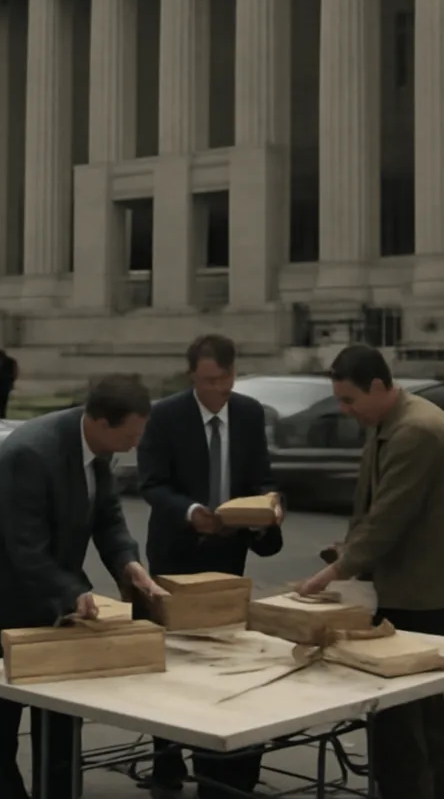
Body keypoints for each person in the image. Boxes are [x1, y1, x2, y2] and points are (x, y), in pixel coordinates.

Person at [0, 374, 168, 799]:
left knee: (58, 717)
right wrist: (73, 590)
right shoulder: (30, 453)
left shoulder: (100, 450)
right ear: (103, 424)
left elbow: (108, 517)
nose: (135, 445)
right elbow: (24, 546)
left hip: (53, 600)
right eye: (131, 435)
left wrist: (129, 565)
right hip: (0, 599)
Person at [296, 344, 444, 799]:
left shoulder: (416, 430)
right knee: (416, 719)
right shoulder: (390, 422)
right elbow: (374, 511)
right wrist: (346, 549)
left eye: (350, 400)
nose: (344, 410)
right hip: (410, 593)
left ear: (379, 386)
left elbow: (389, 517)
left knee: (403, 724)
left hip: (426, 599)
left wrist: (336, 570)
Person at [136, 333, 285, 799]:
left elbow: (261, 475)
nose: (214, 389)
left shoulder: (247, 413)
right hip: (176, 555)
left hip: (228, 555)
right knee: (172, 660)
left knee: (218, 659)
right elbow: (152, 484)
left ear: (234, 373)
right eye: (205, 381)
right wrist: (190, 512)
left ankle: (218, 764)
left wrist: (265, 508)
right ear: (191, 376)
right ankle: (166, 765)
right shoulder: (165, 416)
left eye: (222, 379)